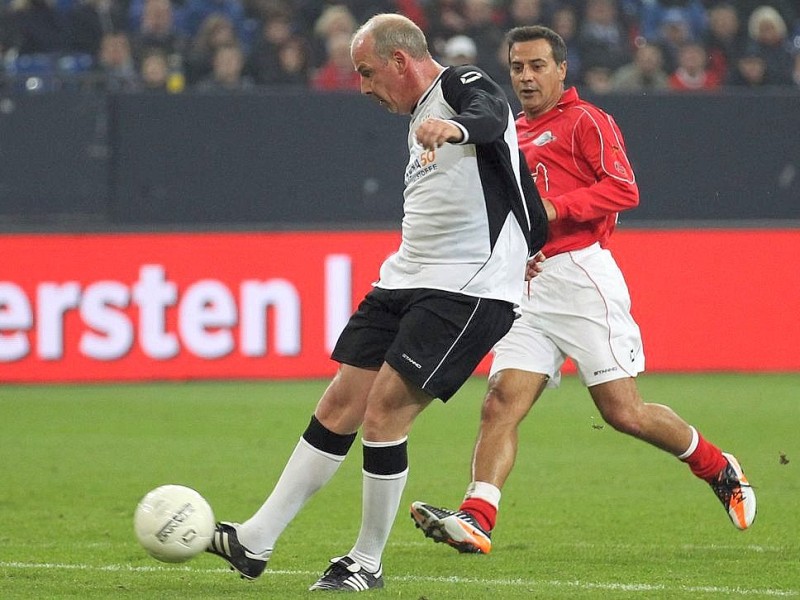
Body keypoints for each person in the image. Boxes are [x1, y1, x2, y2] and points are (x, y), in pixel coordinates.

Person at [205, 12, 547, 592]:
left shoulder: (461, 88)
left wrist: (457, 131)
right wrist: (531, 239)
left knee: (384, 412)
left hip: (464, 289)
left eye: (366, 73)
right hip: (405, 278)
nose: (363, 87)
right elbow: (519, 187)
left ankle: (365, 562)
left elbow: (492, 119)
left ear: (399, 60)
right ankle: (256, 540)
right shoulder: (418, 118)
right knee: (341, 402)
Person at [410, 24, 757, 557]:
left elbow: (624, 188)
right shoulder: (510, 132)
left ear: (561, 69)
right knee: (500, 400)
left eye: (537, 66)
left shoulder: (586, 121)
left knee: (623, 413)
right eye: (518, 67)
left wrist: (557, 209)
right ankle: (477, 515)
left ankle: (717, 466)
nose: (526, 77)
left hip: (581, 277)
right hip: (528, 285)